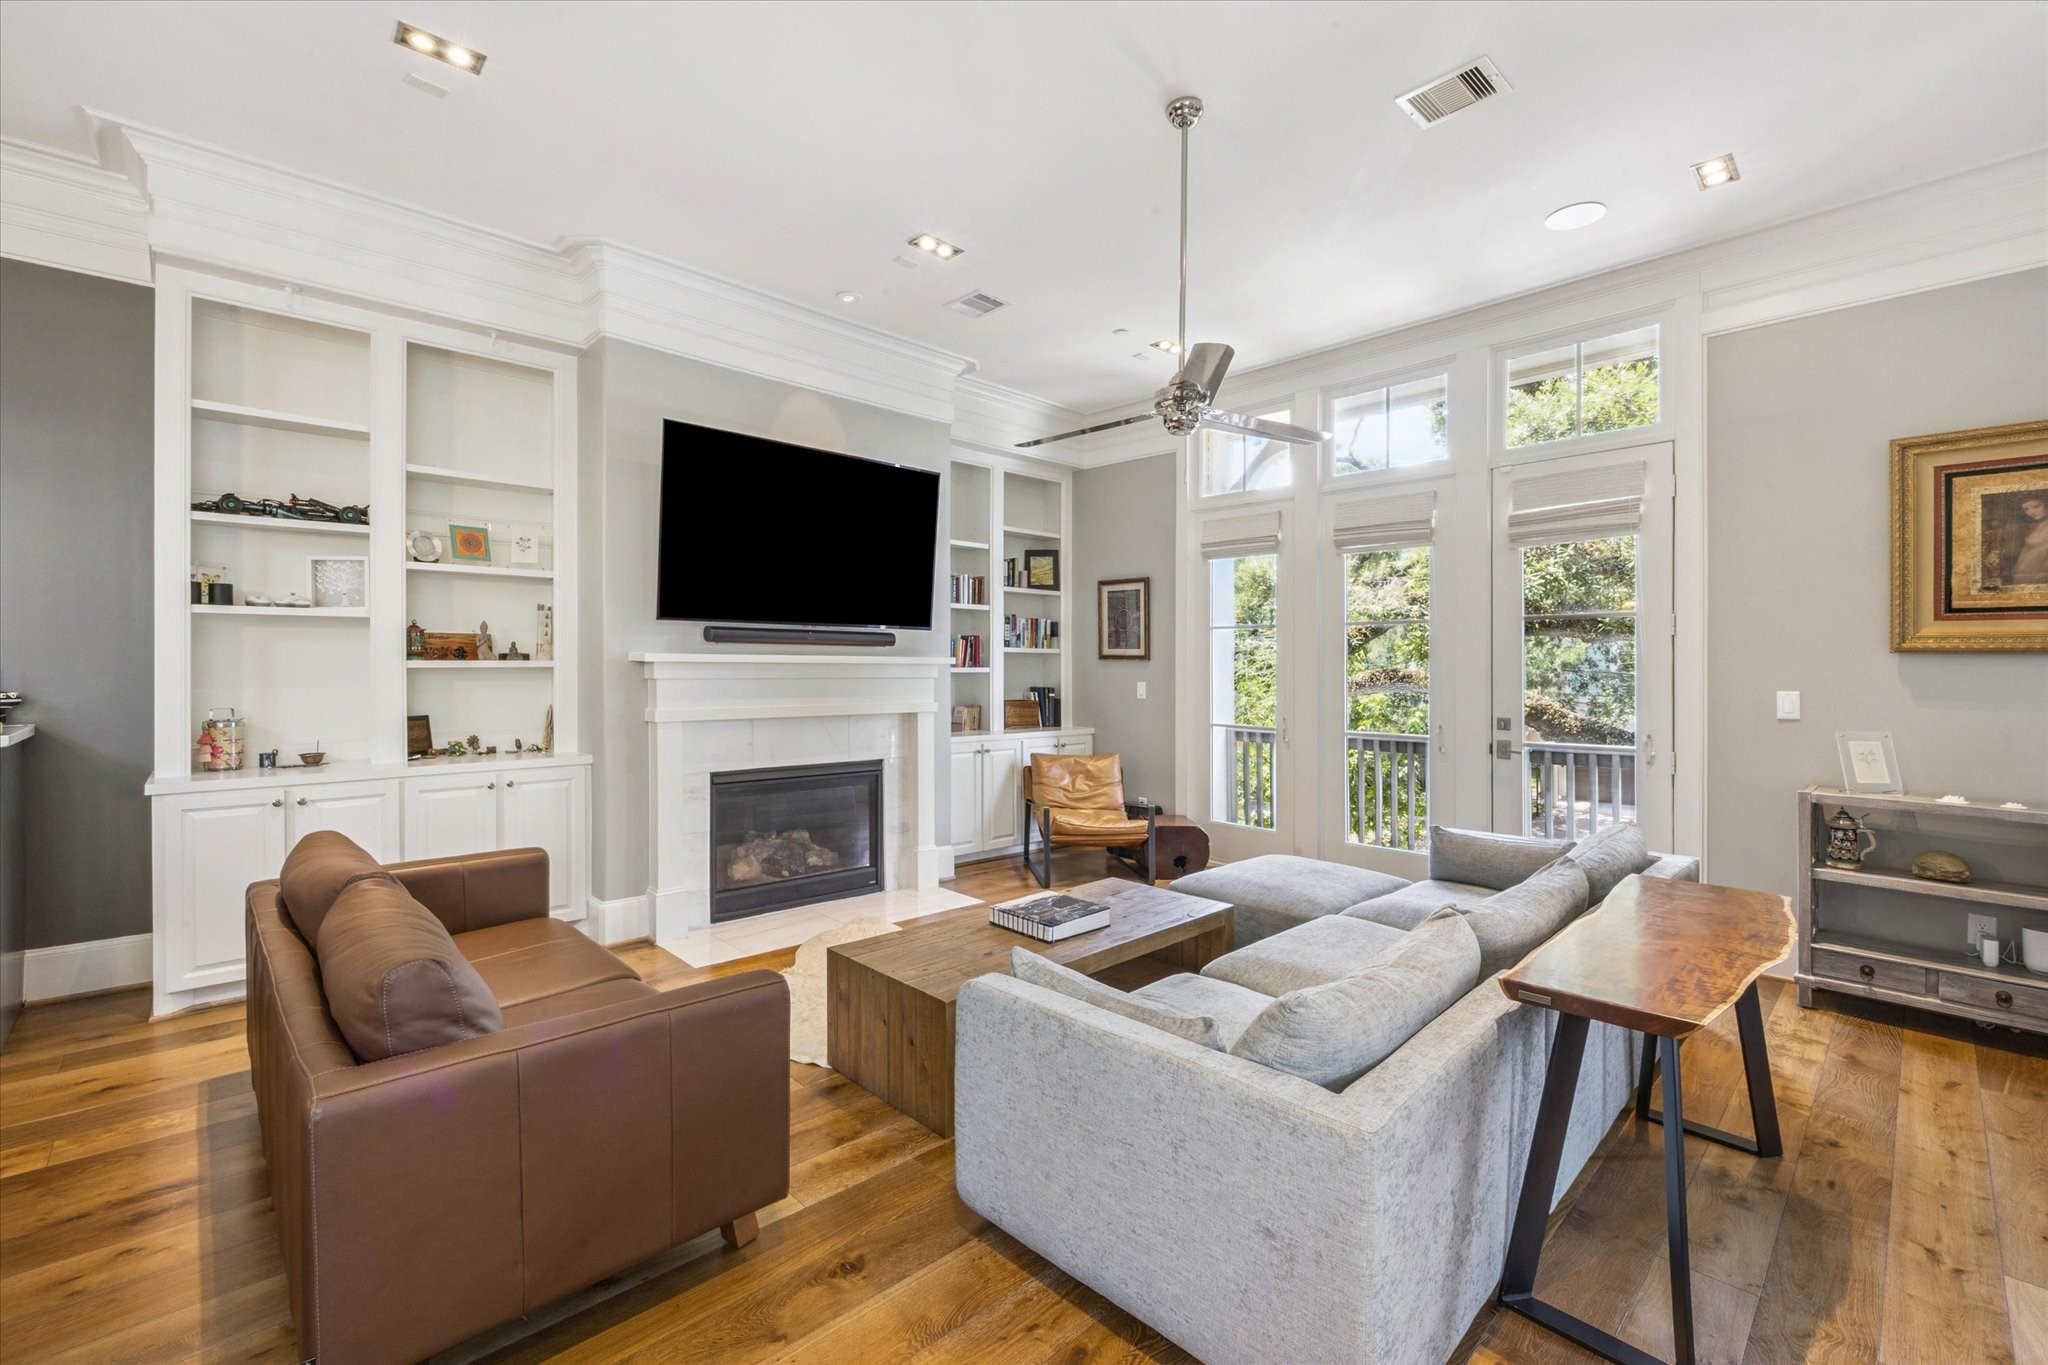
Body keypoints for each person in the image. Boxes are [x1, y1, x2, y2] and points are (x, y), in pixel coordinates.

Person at [2012, 493, 2048, 586]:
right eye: (2026, 509)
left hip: (2040, 578)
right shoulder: (2037, 525)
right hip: (2026, 576)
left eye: (2036, 506)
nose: (2031, 512)